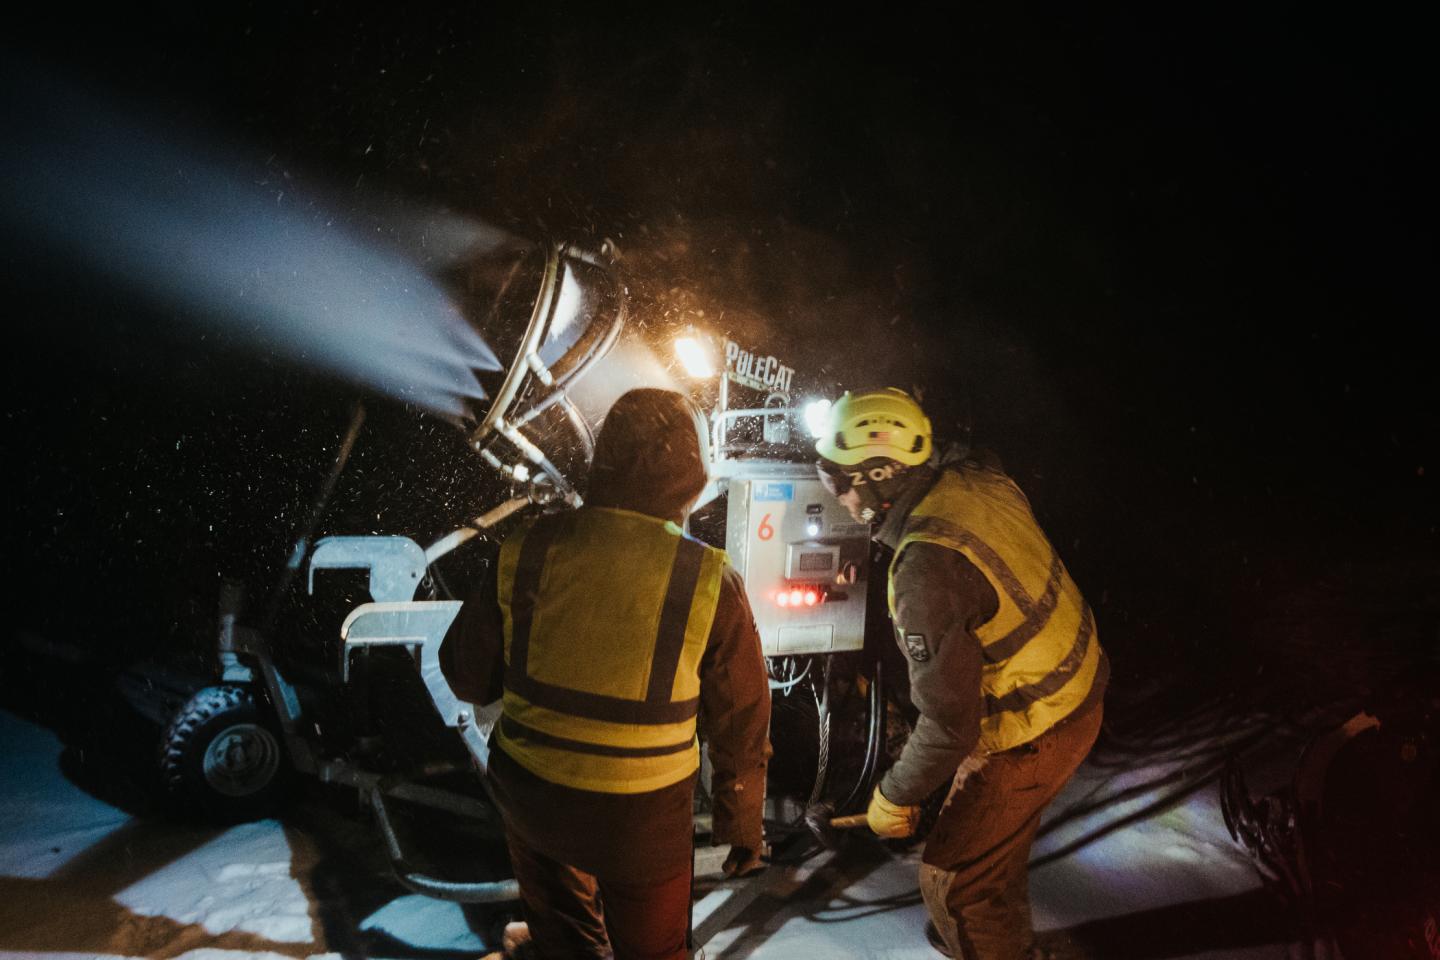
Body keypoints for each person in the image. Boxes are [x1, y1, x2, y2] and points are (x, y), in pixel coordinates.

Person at [440, 387, 771, 960]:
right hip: (643, 820)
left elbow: (467, 678)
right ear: (693, 472)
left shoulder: (526, 548)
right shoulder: (710, 579)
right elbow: (740, 719)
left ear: (603, 460)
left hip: (534, 799)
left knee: (566, 943)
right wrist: (741, 824)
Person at [814, 387, 1108, 960]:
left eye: (837, 479)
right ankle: (1002, 939)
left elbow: (951, 725)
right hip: (1079, 689)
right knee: (990, 854)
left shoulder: (925, 567)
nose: (839, 498)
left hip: (1032, 727)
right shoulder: (975, 483)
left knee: (956, 880)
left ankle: (990, 944)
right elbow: (969, 453)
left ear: (879, 474)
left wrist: (895, 795)